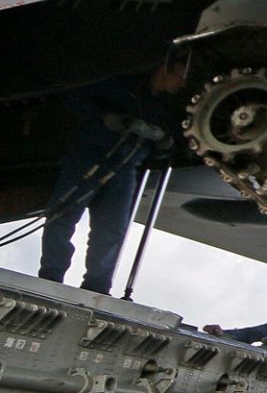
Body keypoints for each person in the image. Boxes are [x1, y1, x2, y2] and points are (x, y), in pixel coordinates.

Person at [38, 62, 188, 295]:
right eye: (179, 77)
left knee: (112, 229)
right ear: (164, 71)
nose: (182, 84)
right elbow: (76, 100)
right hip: (88, 158)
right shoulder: (121, 85)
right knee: (62, 216)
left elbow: (173, 144)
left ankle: (97, 286)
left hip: (126, 168)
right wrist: (108, 119)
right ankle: (51, 275)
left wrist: (165, 144)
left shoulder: (165, 107)